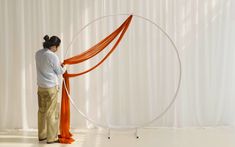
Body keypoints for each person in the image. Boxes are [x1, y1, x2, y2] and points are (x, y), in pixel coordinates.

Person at [35, 35, 66, 144]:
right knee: (52, 112)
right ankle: (52, 138)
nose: (57, 49)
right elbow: (59, 71)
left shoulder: (38, 53)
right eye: (57, 46)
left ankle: (42, 135)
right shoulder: (52, 56)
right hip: (51, 88)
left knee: (42, 111)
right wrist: (64, 67)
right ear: (54, 46)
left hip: (41, 87)